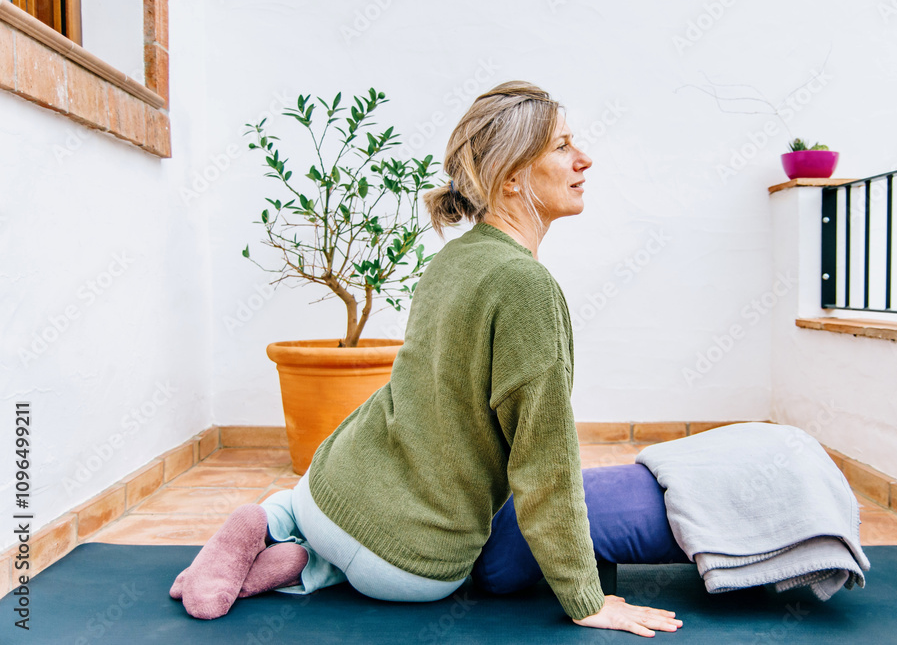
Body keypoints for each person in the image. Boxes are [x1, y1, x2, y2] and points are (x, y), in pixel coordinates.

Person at [170, 81, 683, 638]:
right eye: (562, 147)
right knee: (387, 561)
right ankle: (311, 567)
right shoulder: (527, 288)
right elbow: (545, 464)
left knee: (309, 516)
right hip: (410, 567)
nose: (584, 159)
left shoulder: (453, 259)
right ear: (511, 177)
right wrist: (586, 598)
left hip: (328, 489)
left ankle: (282, 531)